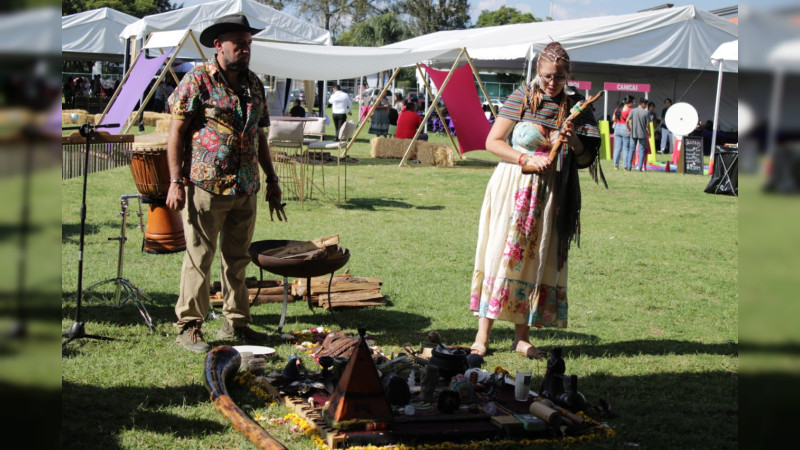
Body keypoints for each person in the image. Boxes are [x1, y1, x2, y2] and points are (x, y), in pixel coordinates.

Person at [469, 42, 601, 359]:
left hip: (551, 193)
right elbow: (493, 142)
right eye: (546, 76)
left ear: (568, 75)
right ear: (538, 72)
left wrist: (574, 140)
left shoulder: (578, 106)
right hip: (513, 186)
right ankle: (482, 335)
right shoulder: (523, 97)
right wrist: (526, 158)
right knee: (502, 253)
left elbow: (586, 160)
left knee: (534, 258)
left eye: (557, 77)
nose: (551, 83)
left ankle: (522, 337)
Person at [166, 13, 283, 353]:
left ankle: (237, 322)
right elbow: (176, 132)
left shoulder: (254, 84)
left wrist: (272, 179)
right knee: (199, 257)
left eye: (248, 44)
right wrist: (175, 180)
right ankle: (189, 326)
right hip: (206, 186)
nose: (245, 50)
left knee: (238, 258)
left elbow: (259, 134)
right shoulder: (198, 80)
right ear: (218, 45)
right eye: (239, 44)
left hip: (246, 187)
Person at [627, 98, 650, 171]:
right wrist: (649, 131)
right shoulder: (646, 113)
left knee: (631, 149)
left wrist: (628, 128)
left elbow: (627, 120)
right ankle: (640, 167)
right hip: (642, 133)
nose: (646, 106)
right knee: (642, 150)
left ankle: (629, 167)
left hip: (633, 132)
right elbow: (647, 124)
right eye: (646, 104)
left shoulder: (633, 110)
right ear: (643, 103)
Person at [611, 95, 633, 170]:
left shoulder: (617, 109)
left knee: (617, 148)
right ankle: (625, 165)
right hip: (625, 128)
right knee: (625, 148)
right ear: (629, 103)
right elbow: (630, 122)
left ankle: (615, 165)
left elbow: (613, 118)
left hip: (617, 128)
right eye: (633, 102)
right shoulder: (630, 110)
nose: (633, 103)